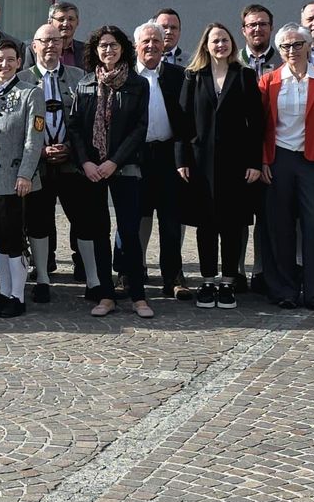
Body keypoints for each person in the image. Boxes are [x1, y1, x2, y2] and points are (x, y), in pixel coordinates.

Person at [178, 22, 263, 310]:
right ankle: (207, 280)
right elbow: (183, 122)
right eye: (215, 40)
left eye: (225, 40)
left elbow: (256, 123)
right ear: (206, 45)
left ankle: (228, 281)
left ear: (232, 44)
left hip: (235, 163)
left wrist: (254, 162)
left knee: (232, 224)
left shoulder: (244, 75)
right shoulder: (193, 76)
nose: (220, 45)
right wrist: (181, 159)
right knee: (205, 224)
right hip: (199, 163)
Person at [259, 24, 314, 311]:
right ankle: (284, 289)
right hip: (279, 159)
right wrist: (263, 159)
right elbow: (259, 126)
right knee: (279, 225)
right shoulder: (269, 81)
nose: (292, 50)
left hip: (313, 161)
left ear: (308, 46)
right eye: (285, 46)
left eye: (297, 44)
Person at [69, 26, 151, 319]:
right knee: (98, 232)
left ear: (123, 48)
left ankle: (138, 296)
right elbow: (75, 128)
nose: (108, 50)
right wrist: (86, 163)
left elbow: (140, 127)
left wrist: (115, 161)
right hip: (93, 170)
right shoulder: (85, 84)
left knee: (129, 231)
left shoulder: (138, 84)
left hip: (124, 167)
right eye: (103, 45)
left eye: (113, 45)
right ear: (95, 50)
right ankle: (106, 294)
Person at [0, 38, 45, 319]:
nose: (4, 64)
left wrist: (25, 174)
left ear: (19, 62)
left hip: (14, 180)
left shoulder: (31, 93)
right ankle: (3, 292)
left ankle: (18, 296)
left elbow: (34, 140)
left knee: (14, 240)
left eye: (10, 59)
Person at [25, 20, 87, 302]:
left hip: (70, 162)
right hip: (37, 165)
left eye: (55, 41)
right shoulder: (23, 79)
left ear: (63, 46)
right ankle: (42, 276)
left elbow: (87, 120)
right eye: (44, 41)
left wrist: (71, 148)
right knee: (38, 221)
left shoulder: (79, 77)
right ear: (34, 46)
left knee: (81, 218)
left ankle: (90, 276)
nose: (50, 45)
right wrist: (39, 150)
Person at [132, 19, 193, 300]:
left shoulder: (178, 76)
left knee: (171, 219)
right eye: (146, 41)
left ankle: (173, 276)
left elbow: (186, 121)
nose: (152, 46)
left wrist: (184, 158)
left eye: (156, 41)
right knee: (132, 218)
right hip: (135, 157)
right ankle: (128, 273)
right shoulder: (126, 77)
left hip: (169, 157)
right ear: (136, 46)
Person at [238, 4, 279, 79]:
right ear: (244, 31)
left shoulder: (283, 60)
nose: (257, 29)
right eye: (252, 25)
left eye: (263, 24)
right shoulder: (234, 61)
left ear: (271, 28)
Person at [48, 2, 82, 69]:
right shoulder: (35, 49)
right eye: (61, 19)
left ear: (77, 22)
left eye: (71, 19)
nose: (66, 24)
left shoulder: (86, 51)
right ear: (50, 22)